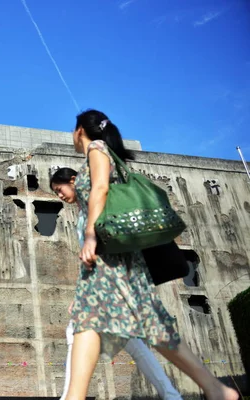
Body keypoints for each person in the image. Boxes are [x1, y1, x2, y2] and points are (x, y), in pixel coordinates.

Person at [54, 110, 238, 400]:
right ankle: (216, 389)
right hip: (106, 259)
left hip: (112, 256)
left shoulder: (96, 149)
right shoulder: (102, 152)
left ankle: (216, 388)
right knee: (91, 321)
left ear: (80, 130)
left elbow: (101, 188)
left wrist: (90, 233)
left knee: (142, 322)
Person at [51, 167, 182, 400]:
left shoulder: (95, 204)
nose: (59, 196)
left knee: (75, 330)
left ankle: (70, 397)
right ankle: (172, 395)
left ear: (72, 180)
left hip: (112, 282)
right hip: (111, 282)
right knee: (132, 341)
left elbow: (102, 252)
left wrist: (82, 295)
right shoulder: (85, 211)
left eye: (59, 189)